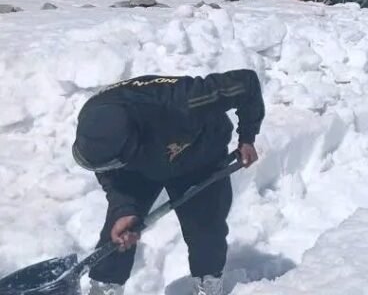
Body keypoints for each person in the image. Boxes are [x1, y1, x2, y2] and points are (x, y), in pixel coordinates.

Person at [73, 70, 266, 295]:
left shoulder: (184, 100)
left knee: (205, 228)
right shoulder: (95, 126)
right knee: (119, 231)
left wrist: (247, 138)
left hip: (199, 156)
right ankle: (105, 286)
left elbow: (245, 83)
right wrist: (124, 209)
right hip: (137, 169)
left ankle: (208, 282)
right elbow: (108, 173)